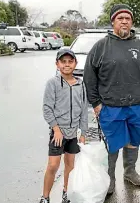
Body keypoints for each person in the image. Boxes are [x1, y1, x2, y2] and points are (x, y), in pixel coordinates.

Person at [83, 4, 140, 195]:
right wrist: (96, 103)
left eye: (127, 18)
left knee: (134, 141)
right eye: (120, 18)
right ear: (113, 22)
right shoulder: (101, 47)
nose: (124, 21)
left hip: (137, 106)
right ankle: (109, 179)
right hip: (110, 107)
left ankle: (130, 172)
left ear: (131, 21)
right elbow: (89, 77)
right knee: (113, 144)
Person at [40, 49, 88, 203]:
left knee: (70, 165)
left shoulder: (81, 85)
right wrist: (56, 129)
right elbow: (47, 108)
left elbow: (83, 110)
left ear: (75, 63)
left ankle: (66, 193)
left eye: (70, 61)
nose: (67, 65)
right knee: (53, 165)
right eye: (63, 62)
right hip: (58, 133)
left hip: (73, 133)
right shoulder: (52, 83)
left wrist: (83, 132)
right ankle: (45, 197)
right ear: (57, 64)